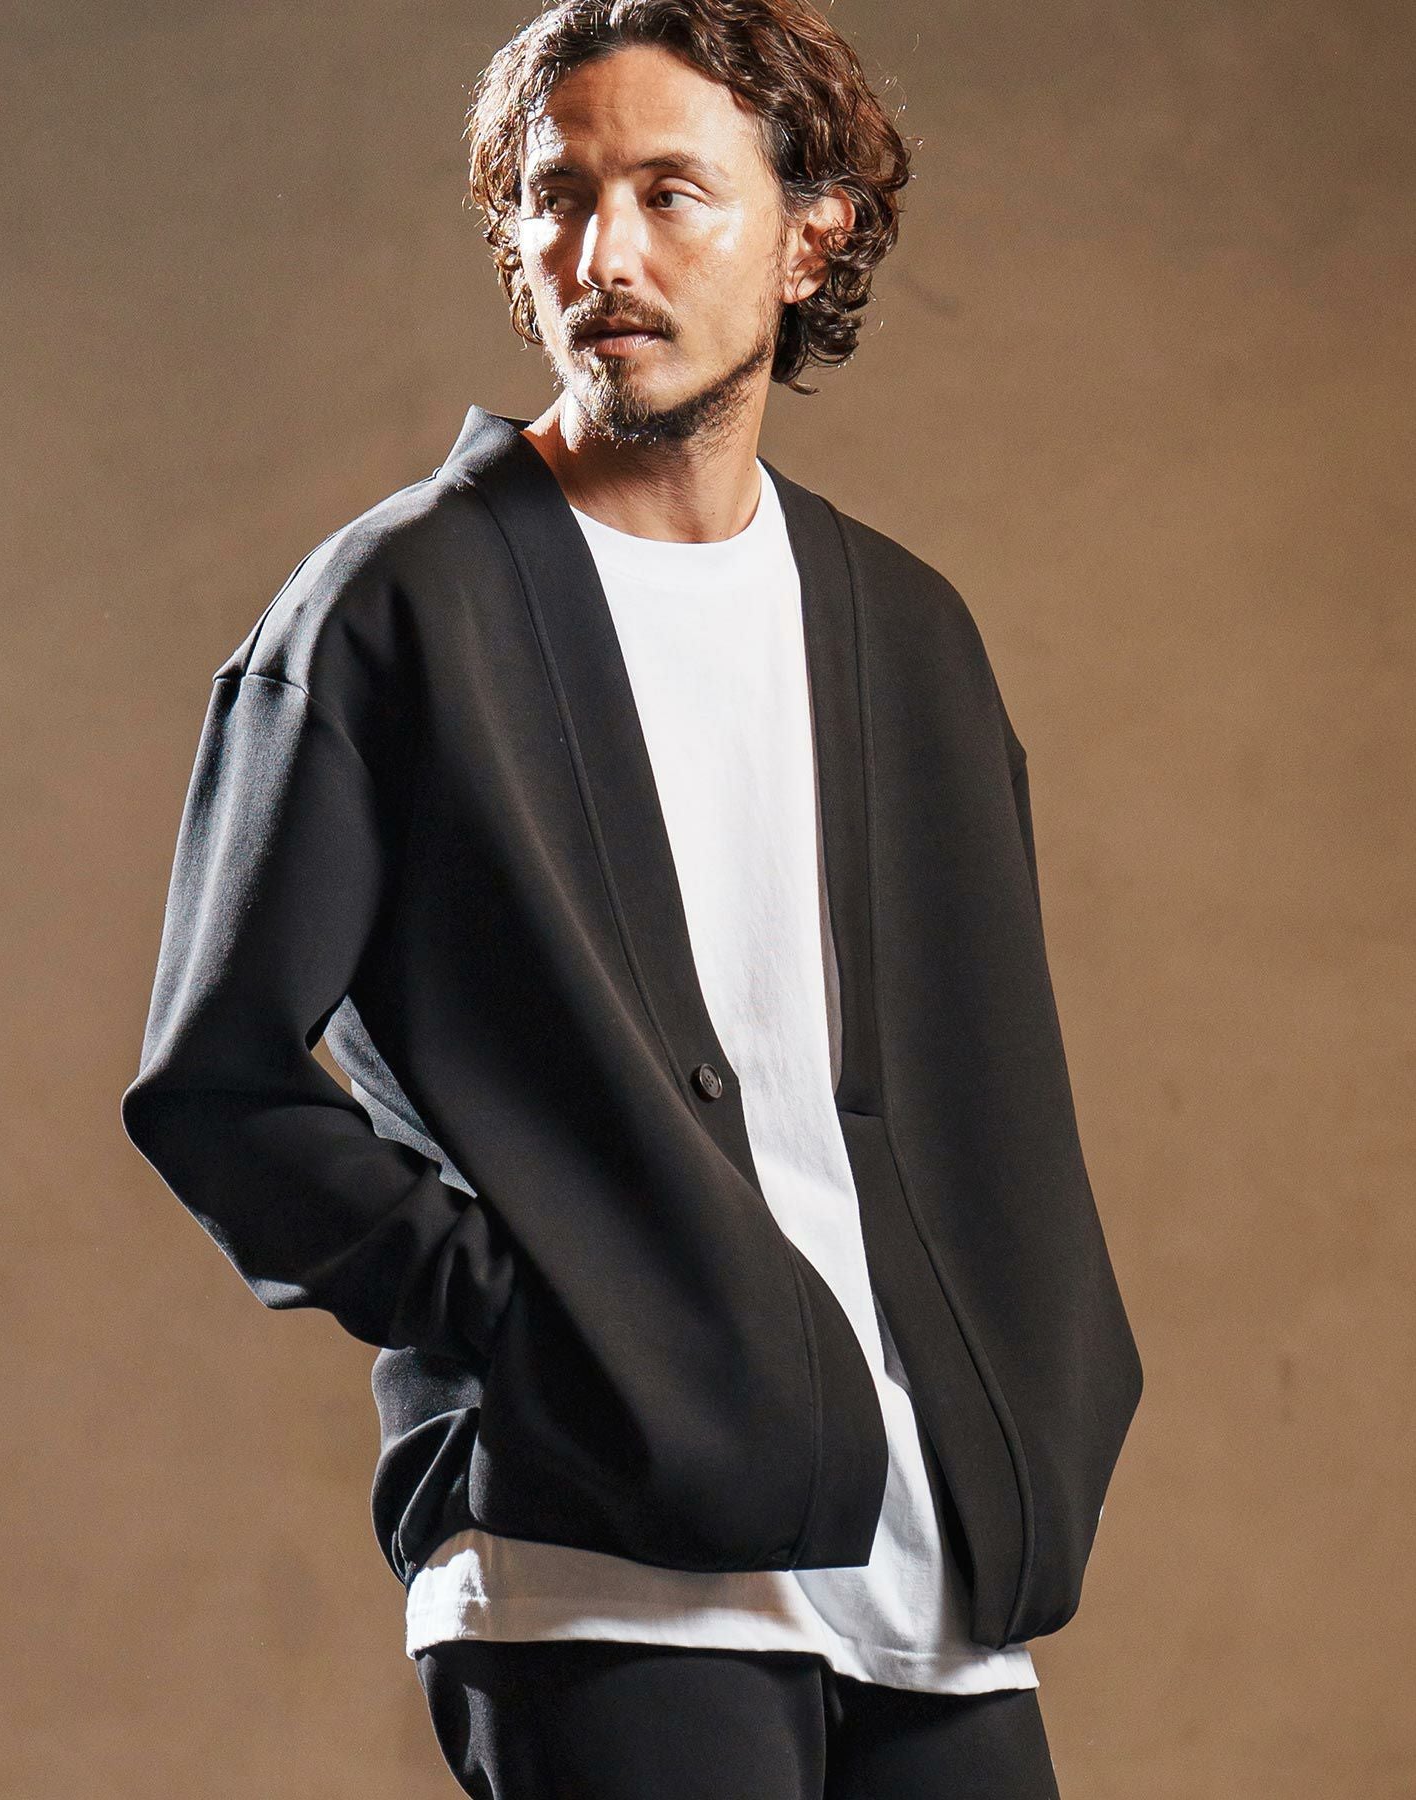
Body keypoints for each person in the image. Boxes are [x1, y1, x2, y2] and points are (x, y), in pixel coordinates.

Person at [122, 2, 1143, 1795]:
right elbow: (219, 1084)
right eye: (559, 196)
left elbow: (984, 1107)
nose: (605, 256)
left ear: (808, 235)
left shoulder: (908, 638)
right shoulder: (395, 612)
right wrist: (545, 1326)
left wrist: (1039, 1404)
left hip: (934, 1570)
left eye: (672, 193)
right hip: (595, 1571)